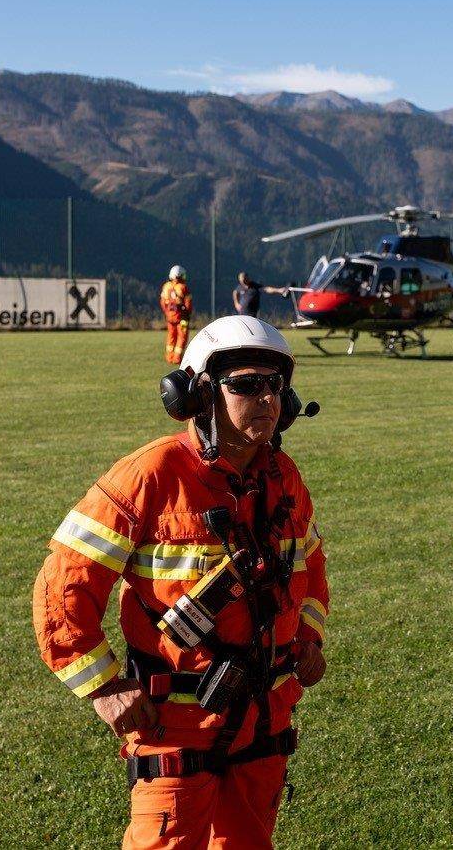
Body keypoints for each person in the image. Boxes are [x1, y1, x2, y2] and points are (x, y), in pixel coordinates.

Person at [33, 315, 329, 849]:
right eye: (244, 385)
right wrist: (103, 687)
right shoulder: (149, 477)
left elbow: (310, 566)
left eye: (274, 386)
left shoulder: (283, 479)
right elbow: (62, 586)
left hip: (264, 724)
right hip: (175, 729)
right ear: (195, 395)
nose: (265, 398)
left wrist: (308, 638)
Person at [161, 265, 193, 364]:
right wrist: (188, 314)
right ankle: (177, 358)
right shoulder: (183, 287)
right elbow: (188, 303)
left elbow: (162, 302)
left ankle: (169, 357)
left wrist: (166, 313)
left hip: (170, 317)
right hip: (182, 317)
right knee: (182, 337)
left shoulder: (166, 286)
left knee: (171, 336)